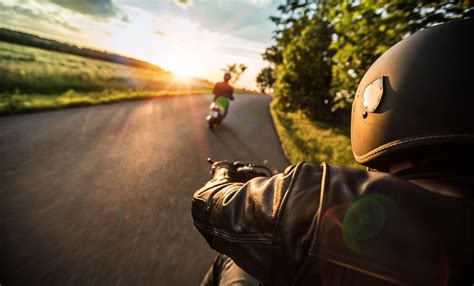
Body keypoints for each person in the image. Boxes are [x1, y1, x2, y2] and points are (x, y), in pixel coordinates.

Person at [192, 18, 474, 286]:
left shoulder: (317, 198)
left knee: (233, 259)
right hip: (221, 104)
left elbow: (209, 205)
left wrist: (221, 173)